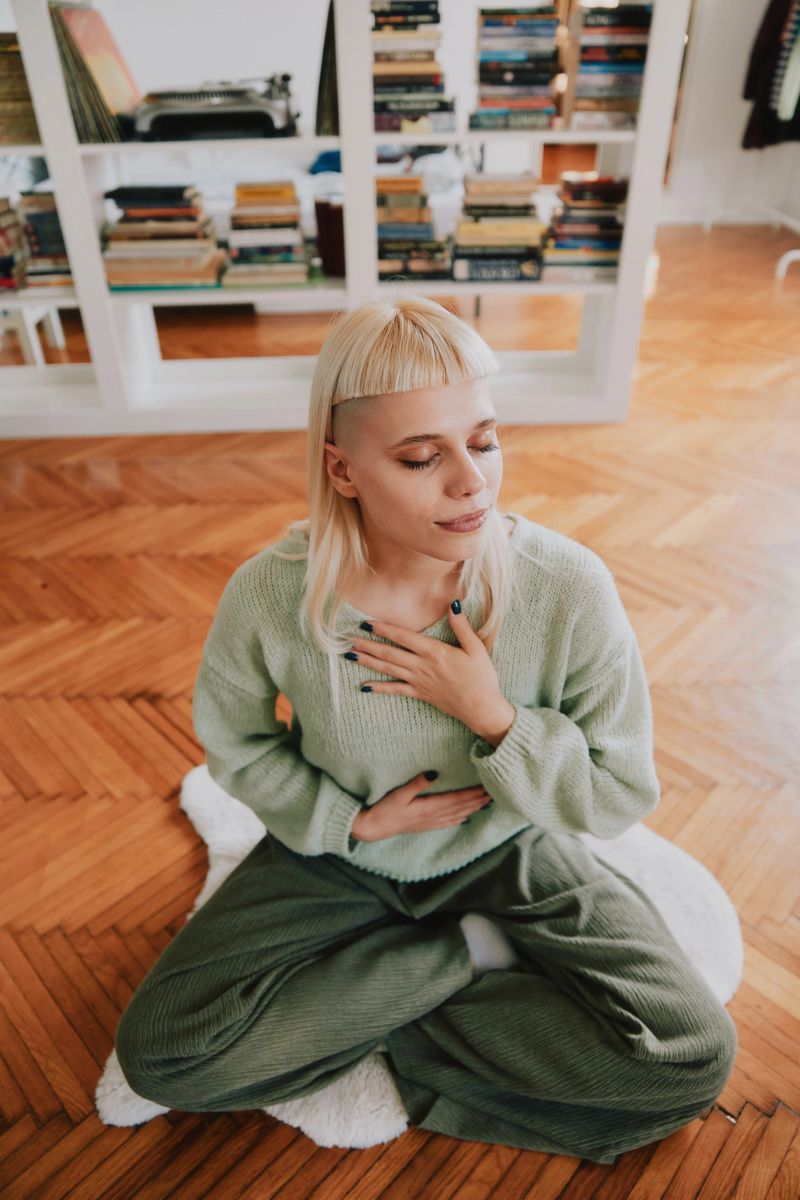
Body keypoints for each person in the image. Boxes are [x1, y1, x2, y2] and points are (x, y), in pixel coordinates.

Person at [114, 296, 737, 1165]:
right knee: (165, 1056)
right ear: (342, 471)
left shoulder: (568, 588)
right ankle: (459, 957)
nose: (470, 480)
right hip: (334, 854)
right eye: (420, 456)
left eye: (483, 441)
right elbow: (235, 745)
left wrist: (498, 719)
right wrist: (349, 823)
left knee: (687, 1059)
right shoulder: (271, 595)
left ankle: (351, 1011)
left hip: (511, 846)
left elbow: (619, 792)